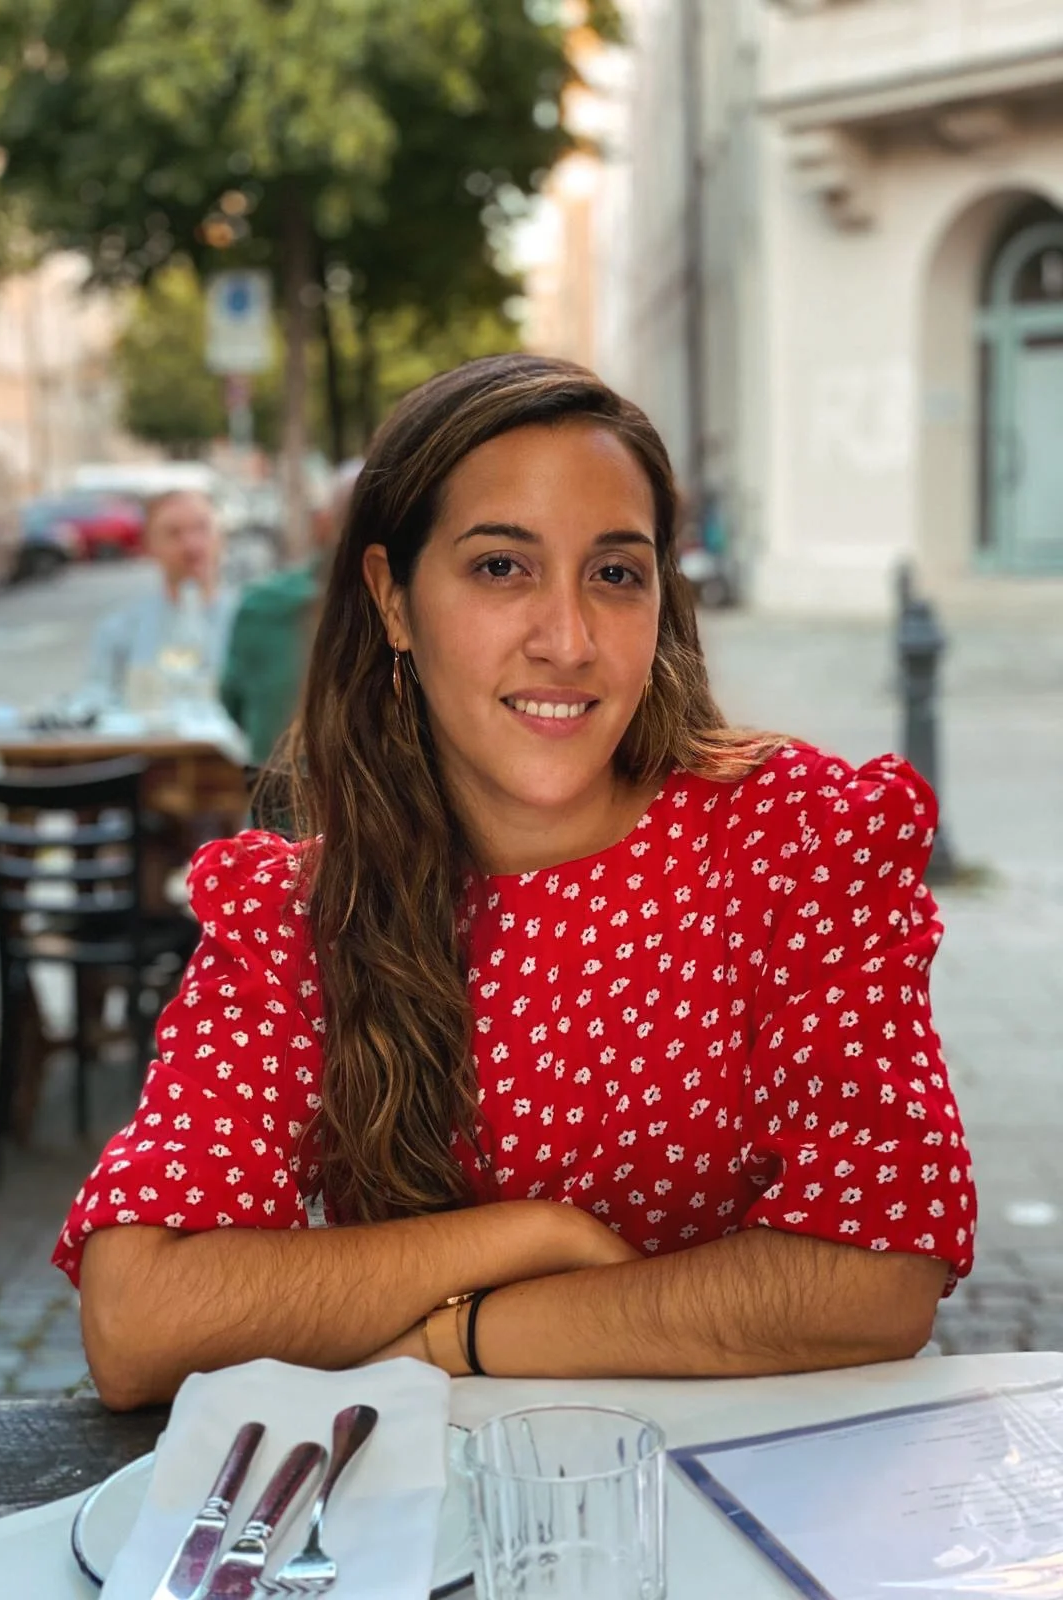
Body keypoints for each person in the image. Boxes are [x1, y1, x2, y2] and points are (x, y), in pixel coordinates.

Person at [56, 354, 976, 1410]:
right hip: (439, 1545)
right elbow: (137, 1320)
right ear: (392, 600)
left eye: (616, 573)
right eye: (502, 568)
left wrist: (463, 1336)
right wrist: (532, 1234)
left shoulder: (795, 841)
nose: (569, 639)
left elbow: (877, 1274)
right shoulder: (301, 913)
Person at [220, 461, 363, 766]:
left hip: (270, 801)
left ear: (324, 524)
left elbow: (233, 705)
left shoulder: (260, 604)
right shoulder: (404, 612)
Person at [86, 489, 238, 706]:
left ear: (221, 536)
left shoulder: (253, 622)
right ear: (149, 546)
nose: (191, 545)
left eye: (202, 528)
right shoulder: (120, 630)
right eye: (173, 533)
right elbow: (96, 703)